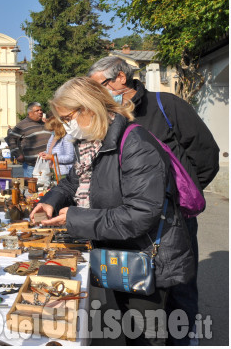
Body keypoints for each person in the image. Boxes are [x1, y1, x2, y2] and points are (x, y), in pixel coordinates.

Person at [30, 77, 195, 345]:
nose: (65, 126)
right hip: (118, 252)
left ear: (89, 108)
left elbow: (139, 214)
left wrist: (74, 218)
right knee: (121, 329)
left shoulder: (134, 144)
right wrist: (52, 199)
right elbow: (75, 180)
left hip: (145, 260)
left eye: (67, 117)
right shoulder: (92, 142)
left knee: (141, 335)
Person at [88, 56, 219, 345]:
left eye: (100, 85)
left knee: (179, 284)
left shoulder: (166, 105)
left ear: (120, 77)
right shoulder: (109, 115)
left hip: (173, 220)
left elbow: (206, 154)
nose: (97, 92)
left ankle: (183, 337)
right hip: (130, 220)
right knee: (133, 286)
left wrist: (180, 196)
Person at [6, 102, 50, 177]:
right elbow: (10, 138)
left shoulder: (45, 123)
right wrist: (18, 154)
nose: (40, 112)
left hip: (48, 165)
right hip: (32, 167)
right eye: (37, 111)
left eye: (41, 110)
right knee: (32, 188)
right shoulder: (22, 125)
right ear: (30, 113)